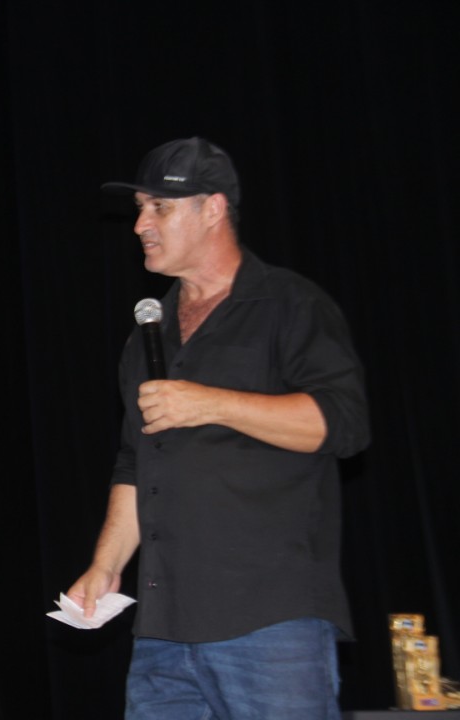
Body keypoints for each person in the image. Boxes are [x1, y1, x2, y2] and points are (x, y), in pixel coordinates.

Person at [68, 137, 370, 719]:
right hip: (162, 630)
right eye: (139, 209)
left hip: (269, 622)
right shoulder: (147, 334)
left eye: (159, 207)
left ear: (212, 209)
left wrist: (211, 404)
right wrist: (106, 566)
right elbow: (135, 463)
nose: (140, 225)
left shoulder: (289, 304)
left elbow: (344, 423)